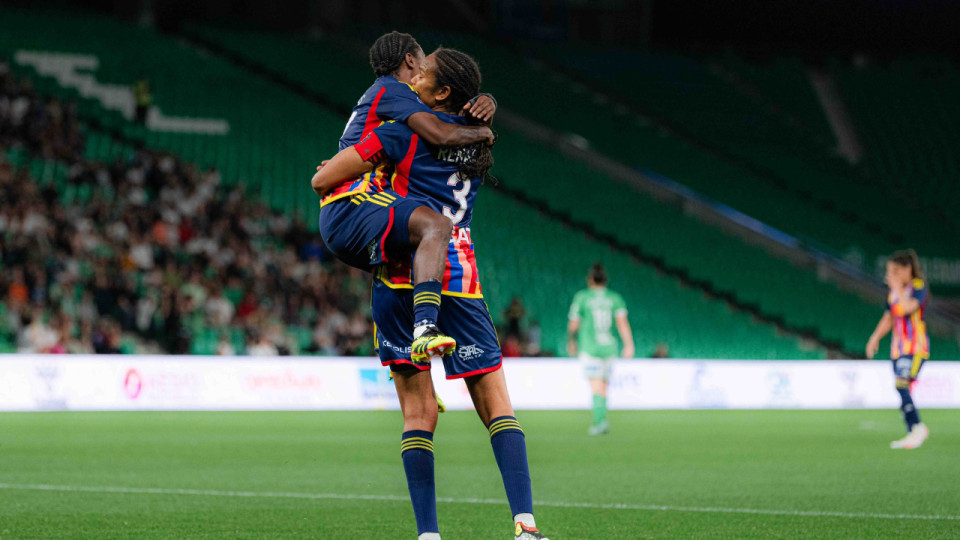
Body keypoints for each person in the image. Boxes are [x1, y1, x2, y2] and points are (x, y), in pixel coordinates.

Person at [313, 47, 548, 540]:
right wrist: (485, 107)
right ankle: (525, 527)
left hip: (402, 280)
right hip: (459, 278)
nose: (413, 75)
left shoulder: (400, 133)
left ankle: (428, 534)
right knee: (498, 408)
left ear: (440, 92)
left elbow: (328, 178)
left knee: (418, 415)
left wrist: (341, 170)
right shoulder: (478, 145)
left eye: (423, 72)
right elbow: (465, 128)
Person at [313, 31, 496, 364]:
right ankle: (424, 328)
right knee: (434, 227)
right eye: (423, 61)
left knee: (404, 259)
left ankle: (407, 370)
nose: (425, 69)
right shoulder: (395, 90)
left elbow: (452, 105)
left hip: (360, 194)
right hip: (351, 199)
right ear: (411, 60)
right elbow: (439, 131)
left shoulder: (389, 95)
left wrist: (487, 101)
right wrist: (483, 131)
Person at [866, 249, 931, 449]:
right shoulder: (893, 293)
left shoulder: (918, 287)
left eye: (894, 271)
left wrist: (898, 289)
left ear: (906, 270)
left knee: (901, 384)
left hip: (915, 347)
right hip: (897, 349)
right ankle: (912, 431)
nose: (890, 276)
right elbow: (889, 317)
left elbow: (909, 307)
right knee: (901, 388)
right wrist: (875, 337)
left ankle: (918, 428)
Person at [567, 263, 634, 435]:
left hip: (590, 348)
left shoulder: (582, 297)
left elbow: (574, 324)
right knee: (604, 385)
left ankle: (599, 422)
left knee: (596, 385)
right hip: (609, 347)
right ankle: (602, 420)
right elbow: (622, 323)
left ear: (590, 280)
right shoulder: (615, 298)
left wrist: (571, 341)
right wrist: (629, 344)